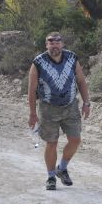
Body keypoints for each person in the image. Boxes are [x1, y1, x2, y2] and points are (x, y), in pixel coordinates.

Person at [27, 32, 91, 190]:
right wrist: (33, 114)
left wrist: (86, 102)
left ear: (62, 44)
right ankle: (50, 177)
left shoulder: (72, 58)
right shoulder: (38, 62)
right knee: (51, 143)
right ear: (46, 44)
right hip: (48, 108)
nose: (54, 45)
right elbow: (31, 90)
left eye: (57, 41)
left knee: (75, 139)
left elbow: (81, 81)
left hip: (70, 106)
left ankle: (61, 168)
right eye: (51, 42)